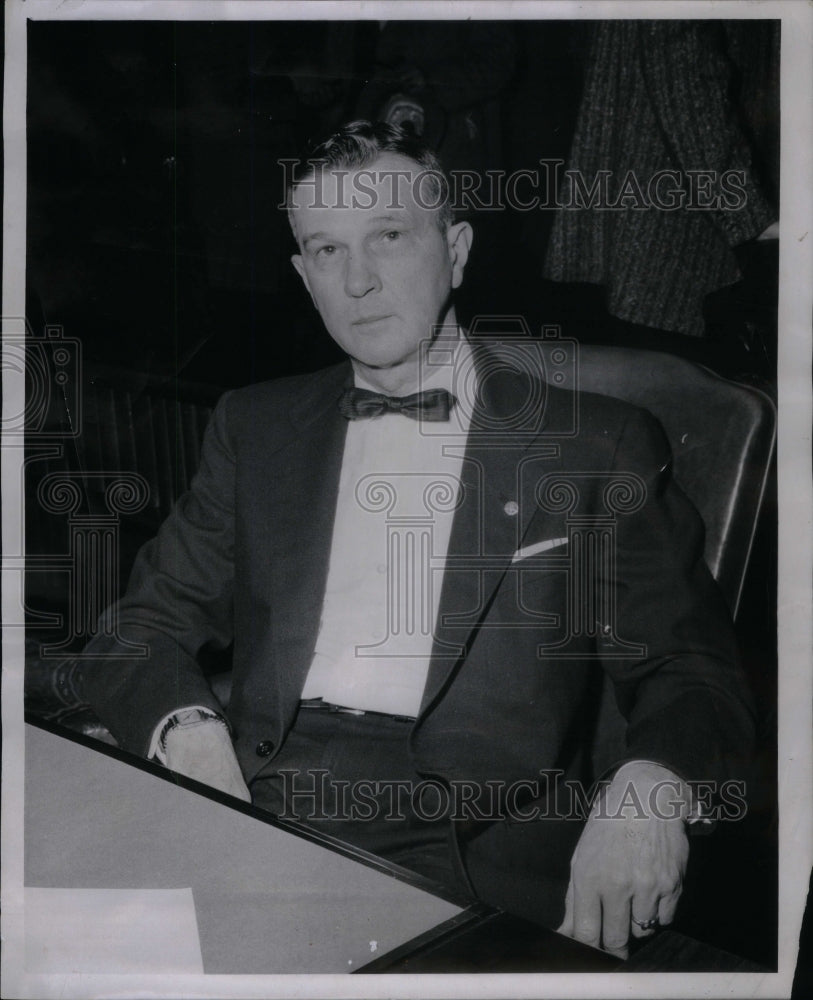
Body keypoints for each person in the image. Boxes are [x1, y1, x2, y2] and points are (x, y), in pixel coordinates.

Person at [76, 120, 755, 958]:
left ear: (457, 249)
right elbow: (136, 631)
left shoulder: (592, 445)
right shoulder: (256, 426)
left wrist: (649, 790)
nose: (357, 280)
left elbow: (690, 672)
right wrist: (190, 735)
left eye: (389, 237)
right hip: (261, 787)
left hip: (479, 836)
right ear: (302, 274)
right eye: (326, 251)